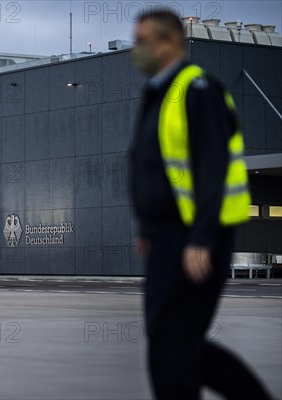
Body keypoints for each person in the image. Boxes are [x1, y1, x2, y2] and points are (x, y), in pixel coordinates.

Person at [129, 9, 273, 400]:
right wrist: (147, 228)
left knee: (177, 345)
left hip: (193, 239)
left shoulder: (199, 91)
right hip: (164, 238)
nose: (134, 49)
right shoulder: (158, 94)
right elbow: (152, 168)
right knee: (169, 344)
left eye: (142, 41)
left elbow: (213, 170)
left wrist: (201, 238)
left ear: (170, 43)